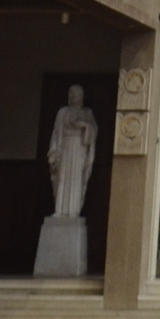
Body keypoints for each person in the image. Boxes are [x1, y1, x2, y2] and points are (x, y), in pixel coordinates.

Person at [46, 85, 100, 219]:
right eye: (71, 93)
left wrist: (84, 126)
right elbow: (56, 132)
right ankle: (59, 209)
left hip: (79, 148)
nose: (73, 96)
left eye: (76, 93)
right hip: (64, 148)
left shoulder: (87, 113)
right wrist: (54, 151)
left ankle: (73, 210)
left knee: (76, 178)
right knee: (62, 177)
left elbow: (93, 130)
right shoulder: (62, 112)